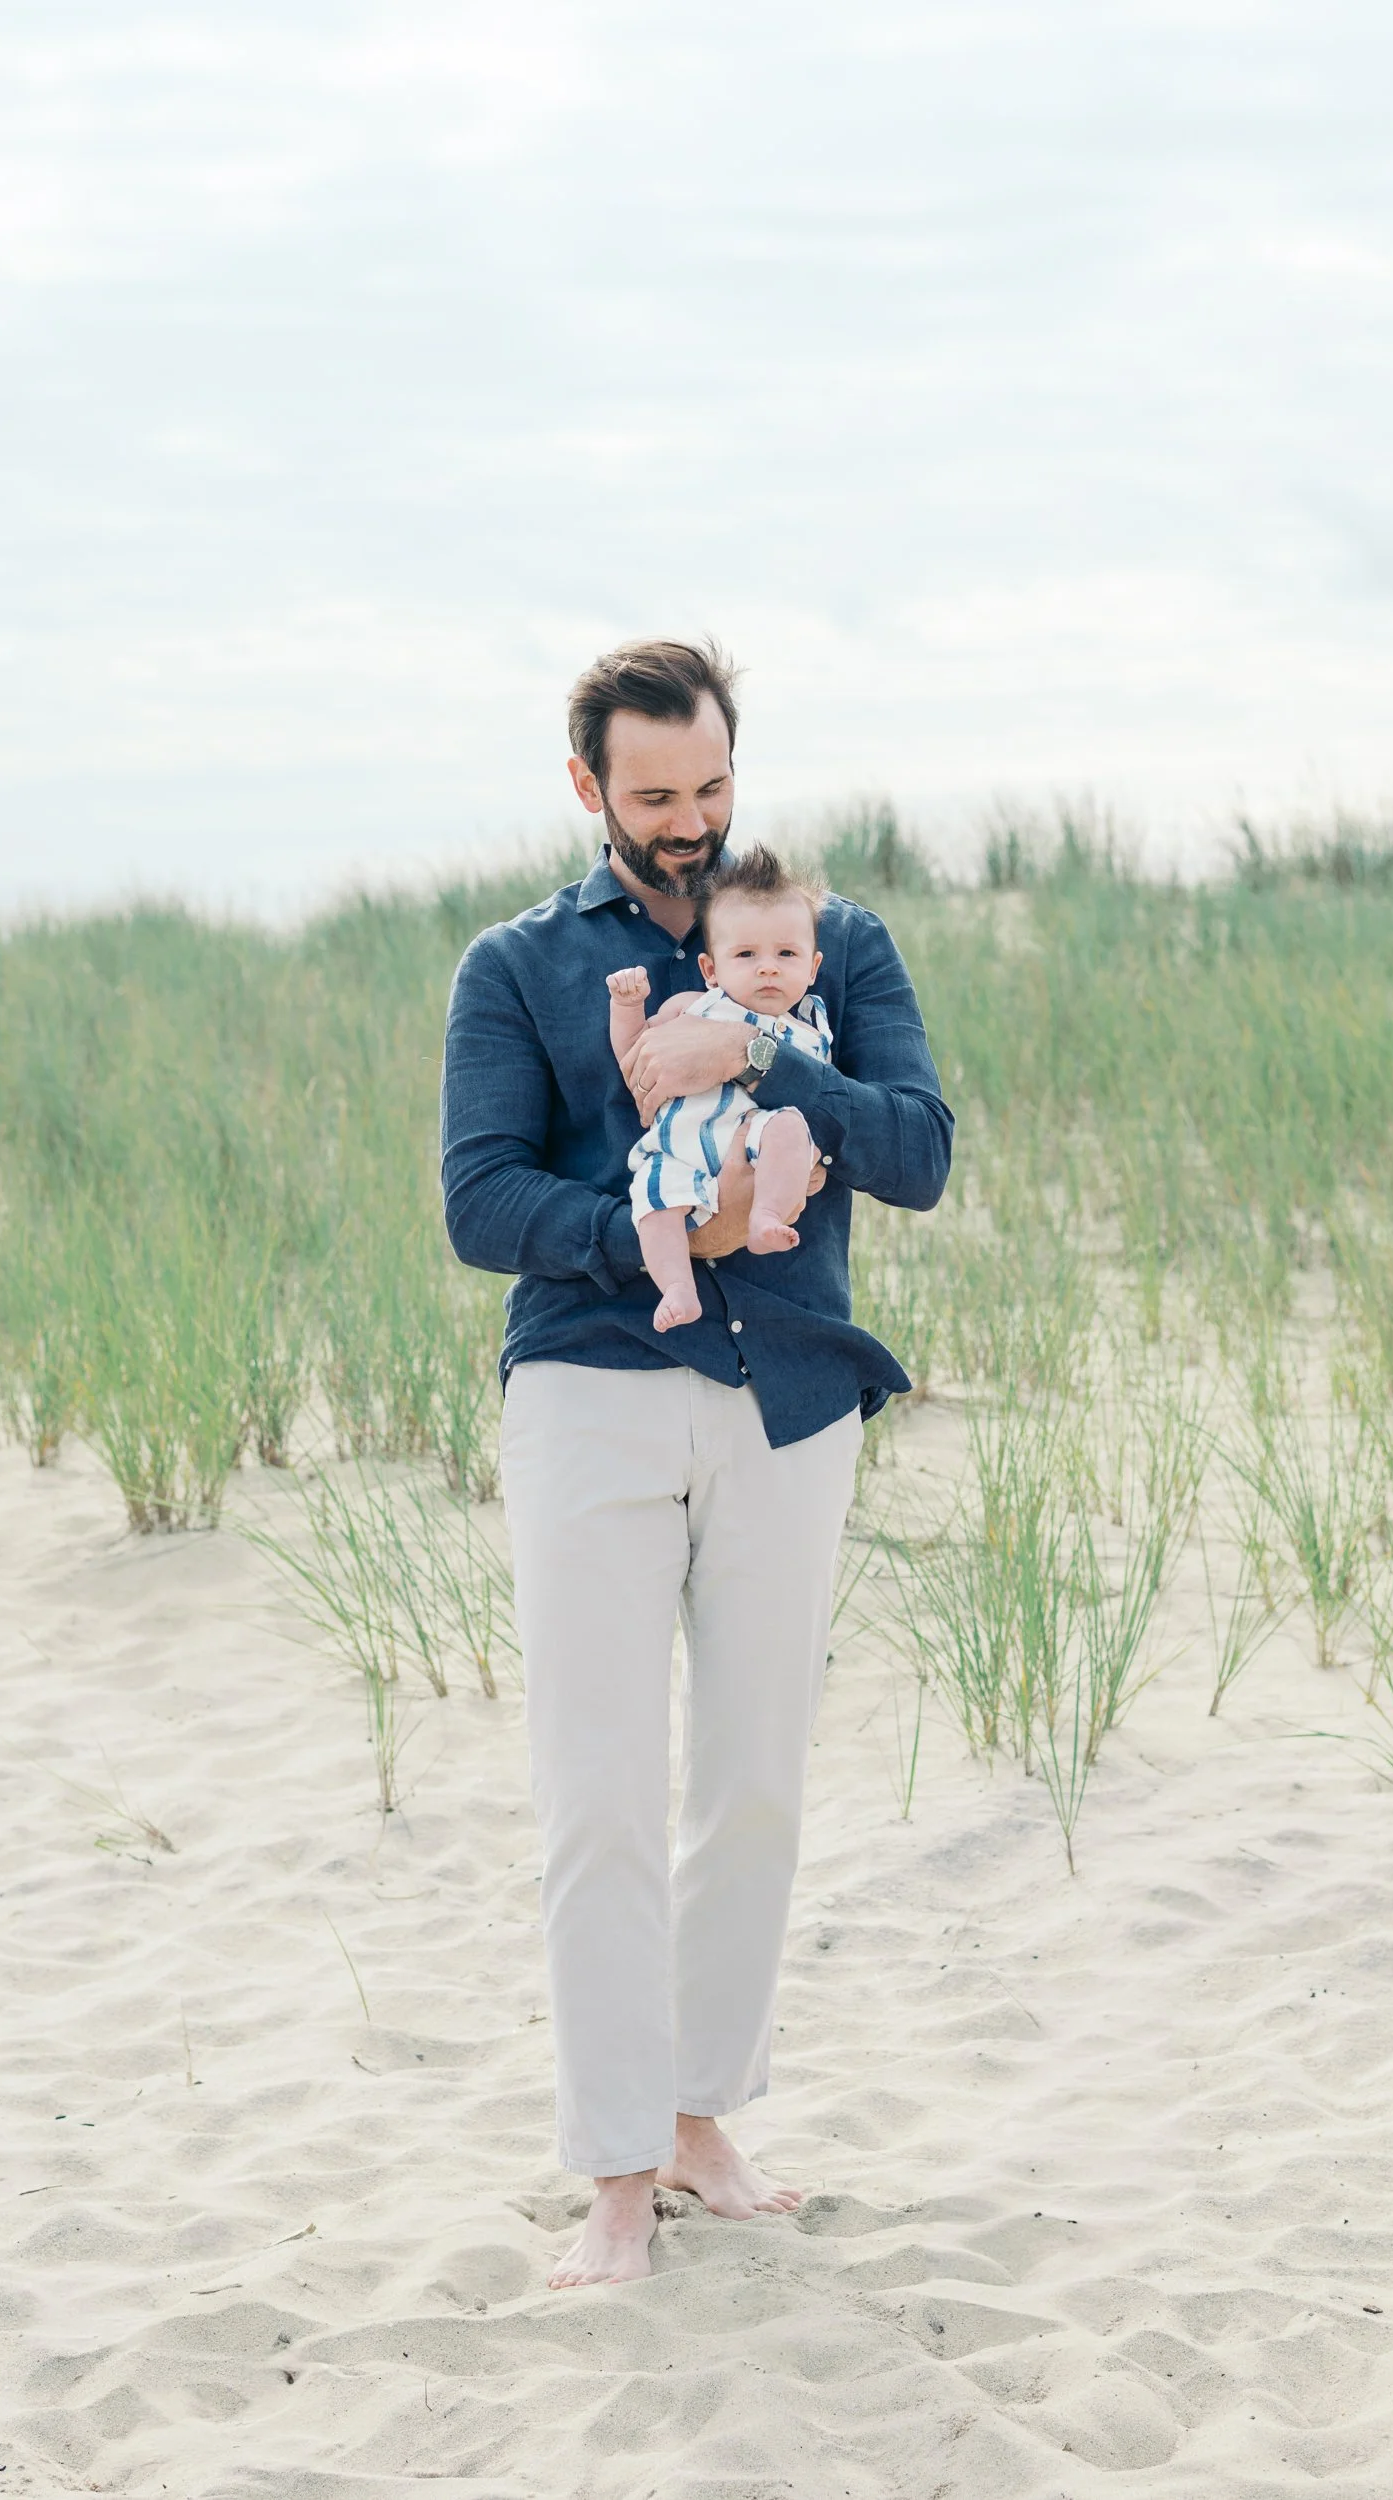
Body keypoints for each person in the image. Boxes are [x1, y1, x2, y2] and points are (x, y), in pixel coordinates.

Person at [440, 637, 952, 2288]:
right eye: (653, 795)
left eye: (713, 788)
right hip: (589, 1386)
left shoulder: (839, 943)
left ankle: (699, 2113)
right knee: (596, 1795)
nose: (688, 822)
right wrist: (665, 1228)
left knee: (753, 1783)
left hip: (787, 1398)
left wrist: (770, 1054)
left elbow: (922, 1149)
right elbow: (480, 1200)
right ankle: (610, 2171)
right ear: (588, 787)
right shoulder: (511, 967)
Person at [609, 845, 832, 1330]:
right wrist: (628, 1008)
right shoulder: (693, 1006)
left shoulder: (812, 1031)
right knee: (652, 1203)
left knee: (791, 1129)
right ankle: (677, 1288)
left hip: (753, 1139)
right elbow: (636, 1058)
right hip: (678, 1151)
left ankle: (766, 1216)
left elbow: (824, 1102)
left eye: (786, 954)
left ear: (812, 969)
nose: (767, 967)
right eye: (747, 954)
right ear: (712, 970)